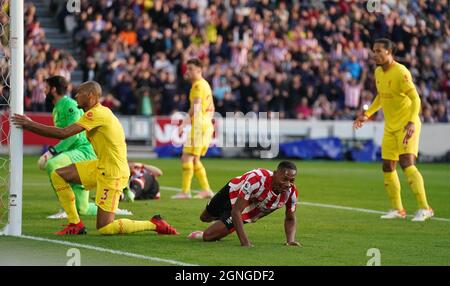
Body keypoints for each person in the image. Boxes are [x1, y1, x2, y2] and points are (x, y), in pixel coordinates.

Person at [12, 81, 179, 235]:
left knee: (105, 228)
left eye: (79, 93)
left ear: (91, 95)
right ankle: (75, 224)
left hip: (113, 172)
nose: (76, 95)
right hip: (101, 165)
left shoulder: (97, 114)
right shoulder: (95, 113)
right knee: (58, 174)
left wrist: (29, 124)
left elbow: (63, 133)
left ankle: (154, 224)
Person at [353, 38, 433, 222]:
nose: (375, 54)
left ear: (389, 52)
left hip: (407, 124)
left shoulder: (401, 72)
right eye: (374, 50)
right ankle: (398, 209)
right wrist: (367, 114)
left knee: (407, 163)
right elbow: (381, 97)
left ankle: (425, 208)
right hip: (390, 126)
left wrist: (412, 122)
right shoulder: (378, 72)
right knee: (388, 165)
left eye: (379, 51)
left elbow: (416, 98)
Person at [187, 161, 301, 247]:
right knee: (205, 217)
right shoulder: (256, 179)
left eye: (292, 180)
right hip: (232, 192)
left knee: (208, 236)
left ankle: (223, 223)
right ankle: (223, 219)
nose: (288, 184)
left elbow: (290, 218)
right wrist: (245, 243)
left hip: (247, 209)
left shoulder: (291, 192)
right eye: (284, 179)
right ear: (275, 174)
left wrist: (290, 241)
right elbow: (236, 210)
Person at [37, 76, 98, 219]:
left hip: (84, 151)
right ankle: (112, 208)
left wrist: (51, 152)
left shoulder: (70, 105)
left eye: (46, 87)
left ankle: (65, 209)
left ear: (53, 89)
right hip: (72, 152)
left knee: (53, 165)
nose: (44, 90)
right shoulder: (57, 108)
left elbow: (74, 135)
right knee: (82, 209)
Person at [172, 58, 215, 199]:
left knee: (186, 157)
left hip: (199, 126)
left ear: (199, 70)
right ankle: (206, 190)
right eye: (187, 68)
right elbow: (212, 108)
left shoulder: (197, 86)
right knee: (195, 159)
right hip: (205, 125)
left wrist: (183, 124)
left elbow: (195, 108)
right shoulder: (205, 84)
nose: (187, 71)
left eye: (191, 69)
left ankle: (185, 192)